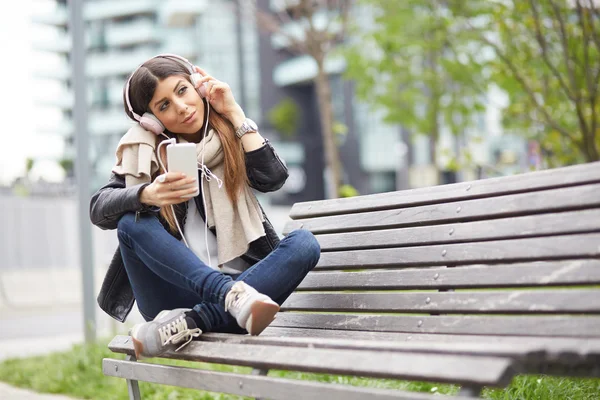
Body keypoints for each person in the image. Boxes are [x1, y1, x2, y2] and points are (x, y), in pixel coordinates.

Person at [89, 54, 321, 359]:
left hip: (245, 292)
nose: (181, 107)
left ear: (198, 86)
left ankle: (198, 320)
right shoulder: (144, 153)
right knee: (130, 222)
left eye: (182, 90)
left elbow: (273, 178)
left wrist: (235, 112)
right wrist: (147, 194)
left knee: (304, 243)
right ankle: (225, 296)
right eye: (164, 106)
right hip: (171, 296)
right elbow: (99, 208)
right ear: (152, 121)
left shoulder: (231, 134)